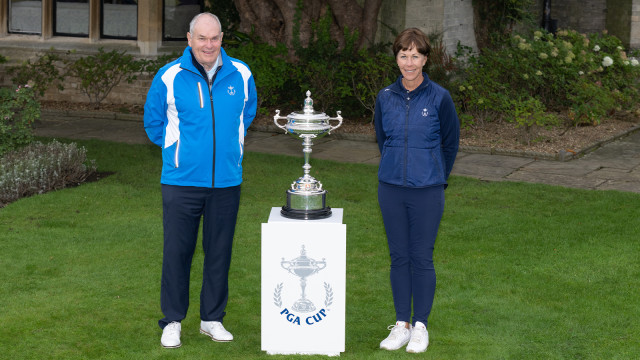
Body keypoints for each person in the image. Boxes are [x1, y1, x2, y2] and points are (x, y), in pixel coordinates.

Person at [143, 12, 257, 348]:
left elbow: (245, 115)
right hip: (181, 182)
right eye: (202, 38)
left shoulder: (242, 73)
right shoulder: (169, 76)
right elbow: (153, 122)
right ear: (189, 39)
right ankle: (173, 320)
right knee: (178, 252)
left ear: (222, 38)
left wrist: (229, 150)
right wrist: (178, 149)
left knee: (219, 252)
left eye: (215, 38)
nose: (209, 45)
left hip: (226, 181)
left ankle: (212, 319)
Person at [374, 27, 459, 353]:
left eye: (416, 56)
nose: (409, 62)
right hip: (391, 189)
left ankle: (420, 325)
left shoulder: (440, 97)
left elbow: (450, 143)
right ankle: (402, 325)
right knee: (398, 257)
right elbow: (383, 139)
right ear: (396, 57)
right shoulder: (385, 97)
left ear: (425, 59)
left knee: (421, 257)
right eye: (403, 55)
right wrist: (396, 167)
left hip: (427, 190)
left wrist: (435, 174)